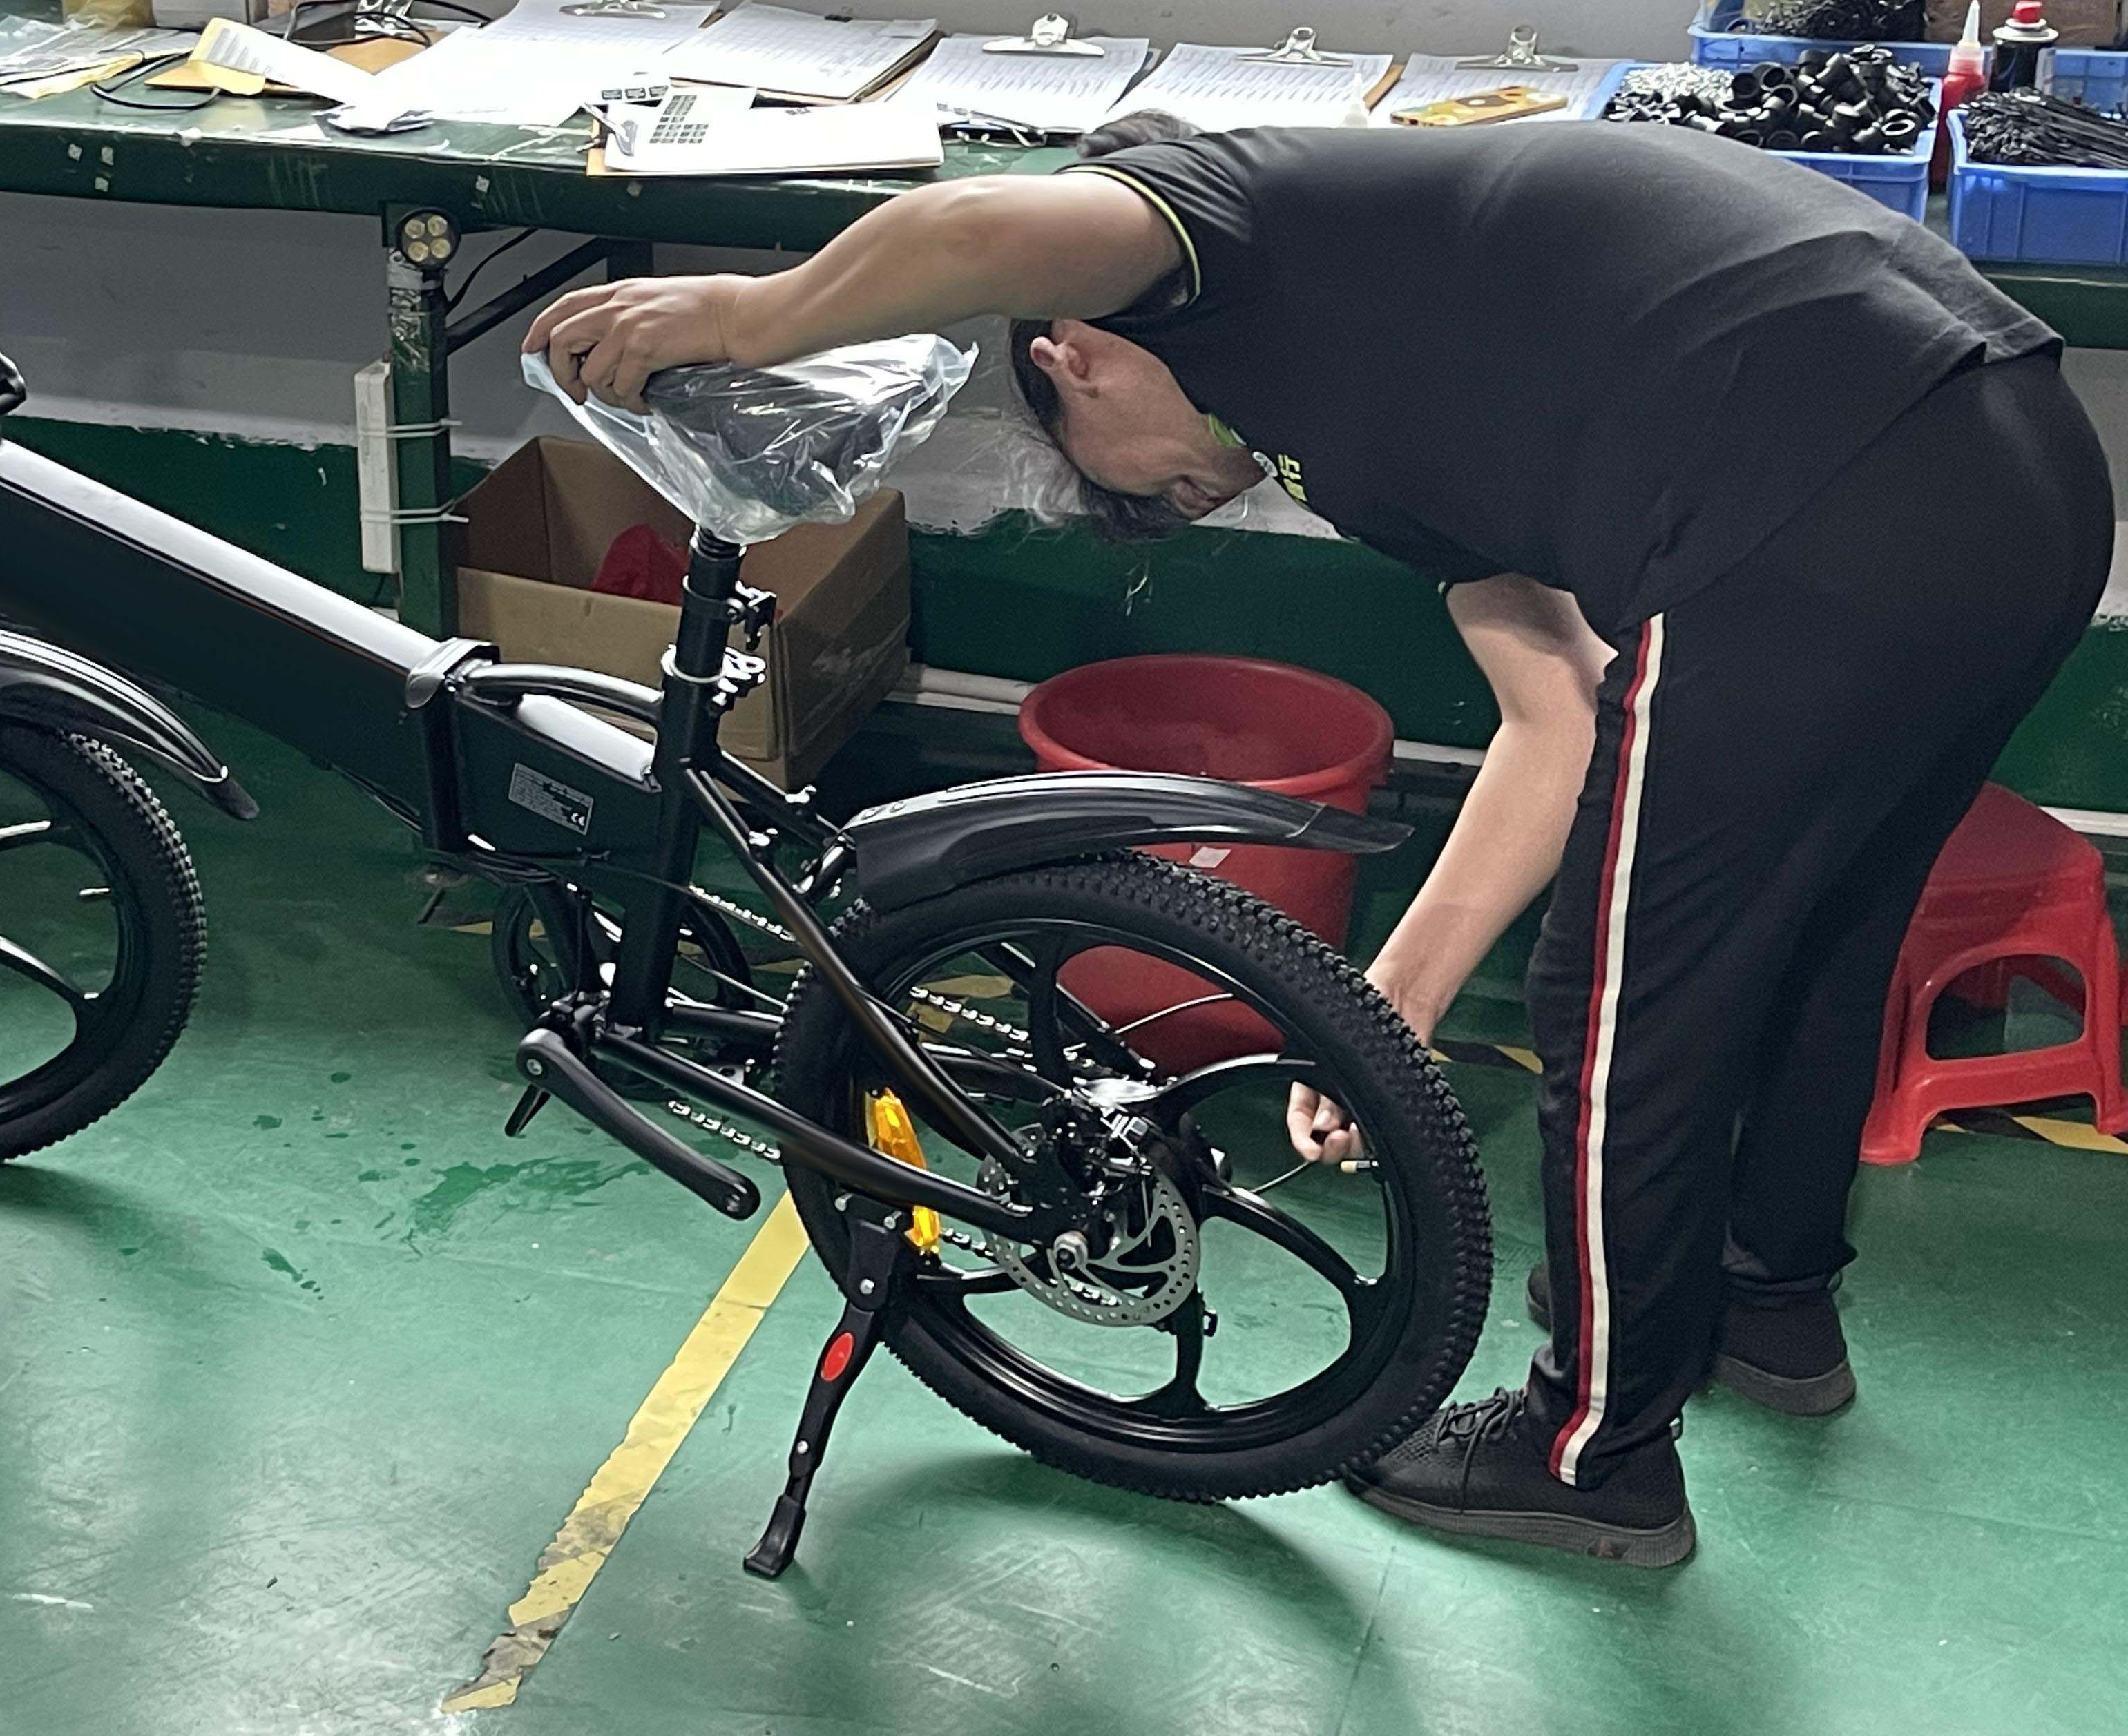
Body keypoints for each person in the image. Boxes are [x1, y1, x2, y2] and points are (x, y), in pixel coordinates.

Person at [521, 108, 2111, 1567]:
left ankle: (1590, 1456)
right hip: (2013, 471)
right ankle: (1766, 1312)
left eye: (1137, 488)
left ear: (1075, 359)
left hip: (1824, 496)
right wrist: (1391, 1002)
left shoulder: (1211, 235)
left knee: (1628, 1011)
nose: (1188, 498)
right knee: (1819, 942)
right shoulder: (1377, 429)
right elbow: (1554, 717)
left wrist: (738, 321)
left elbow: (975, 231)